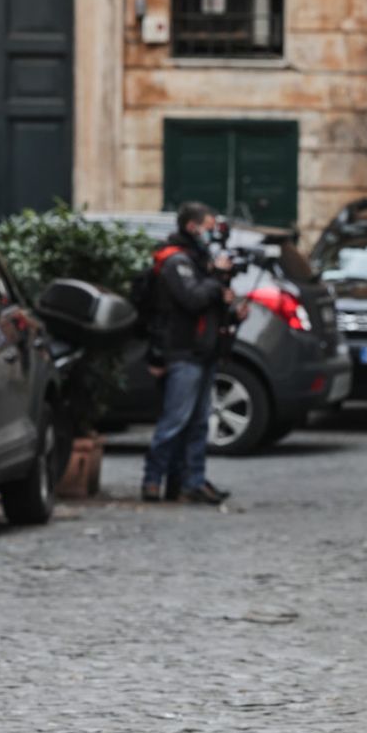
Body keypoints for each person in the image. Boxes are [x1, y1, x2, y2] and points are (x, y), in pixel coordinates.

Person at [141, 201, 243, 505]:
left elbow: (209, 304)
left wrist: (233, 308)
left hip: (204, 351)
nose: (212, 234)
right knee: (174, 421)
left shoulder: (199, 260)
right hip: (183, 352)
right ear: (192, 227)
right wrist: (215, 281)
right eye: (209, 228)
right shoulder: (176, 262)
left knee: (199, 424)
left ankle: (191, 482)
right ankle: (152, 481)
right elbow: (193, 298)